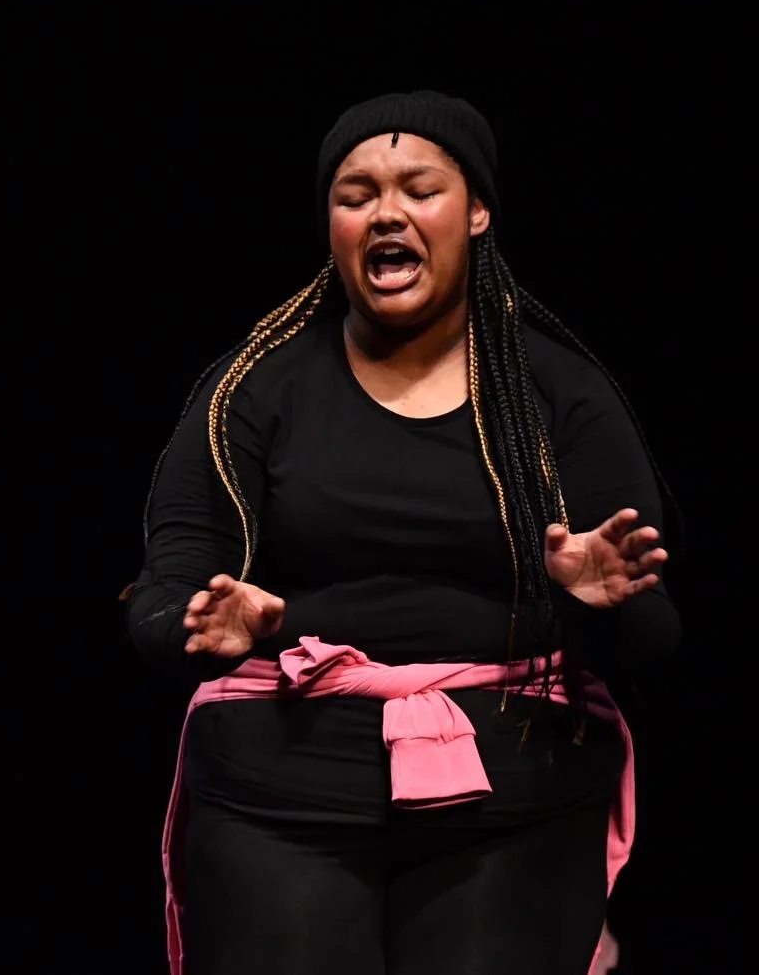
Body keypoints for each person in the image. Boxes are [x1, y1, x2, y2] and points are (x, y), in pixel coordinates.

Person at [123, 90, 680, 975]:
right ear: (333, 225)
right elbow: (163, 593)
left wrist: (596, 605)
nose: (387, 212)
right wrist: (198, 621)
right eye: (357, 195)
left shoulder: (558, 394)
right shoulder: (253, 387)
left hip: (512, 794)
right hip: (282, 790)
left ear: (479, 212)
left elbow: (658, 643)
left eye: (419, 188)